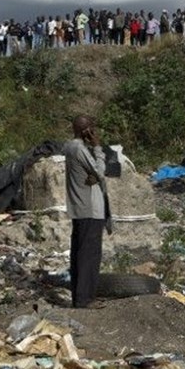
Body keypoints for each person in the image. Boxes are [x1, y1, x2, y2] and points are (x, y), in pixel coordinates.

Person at [63, 115, 110, 309]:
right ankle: (84, 299)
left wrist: (94, 175)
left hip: (82, 208)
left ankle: (82, 296)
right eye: (92, 128)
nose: (95, 132)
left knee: (80, 253)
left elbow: (93, 174)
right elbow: (99, 171)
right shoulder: (79, 149)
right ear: (86, 131)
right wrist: (98, 147)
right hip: (89, 208)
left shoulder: (71, 148)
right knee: (88, 256)